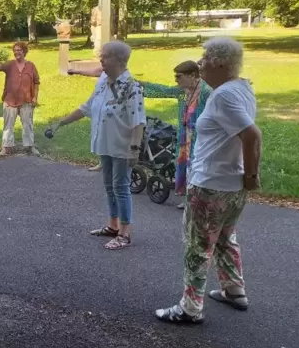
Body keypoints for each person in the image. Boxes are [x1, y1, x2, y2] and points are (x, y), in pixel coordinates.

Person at [156, 38, 261, 324]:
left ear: (221, 64)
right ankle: (234, 290)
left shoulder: (223, 95)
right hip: (230, 186)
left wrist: (252, 175)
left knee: (197, 246)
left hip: (211, 185)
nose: (200, 63)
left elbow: (252, 135)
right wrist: (248, 177)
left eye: (205, 58)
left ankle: (190, 308)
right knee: (226, 237)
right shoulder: (242, 88)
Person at [48, 41, 146, 250]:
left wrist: (134, 150)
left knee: (121, 187)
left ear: (119, 61)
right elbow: (87, 107)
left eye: (105, 56)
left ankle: (125, 233)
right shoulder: (103, 80)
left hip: (122, 146)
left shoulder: (131, 87)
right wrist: (61, 123)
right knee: (109, 186)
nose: (101, 59)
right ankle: (112, 225)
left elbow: (138, 121)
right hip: (104, 143)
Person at [140, 61, 213, 209]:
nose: (176, 80)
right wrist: (141, 85)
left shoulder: (206, 91)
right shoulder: (183, 91)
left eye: (179, 76)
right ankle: (190, 200)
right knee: (187, 166)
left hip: (201, 138)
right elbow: (163, 90)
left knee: (198, 167)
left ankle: (202, 201)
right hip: (185, 136)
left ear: (192, 75)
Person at [0, 41, 40, 156]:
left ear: (24, 52)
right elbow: (0, 66)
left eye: (19, 50)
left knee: (28, 124)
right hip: (10, 100)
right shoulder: (10, 65)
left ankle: (30, 147)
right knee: (8, 124)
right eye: (15, 51)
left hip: (26, 100)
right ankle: (6, 147)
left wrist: (35, 97)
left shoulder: (31, 66)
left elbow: (36, 82)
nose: (17, 53)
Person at [68, 65, 106, 171]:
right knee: (100, 135)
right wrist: (76, 70)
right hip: (100, 108)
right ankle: (103, 163)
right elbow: (94, 71)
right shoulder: (105, 71)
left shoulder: (118, 75)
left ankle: (110, 165)